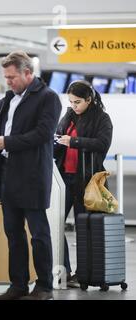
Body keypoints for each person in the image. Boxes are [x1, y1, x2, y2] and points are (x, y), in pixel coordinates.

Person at [0, 51, 62, 300]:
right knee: (13, 233)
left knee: (39, 235)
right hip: (8, 177)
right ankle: (18, 285)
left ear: (28, 73)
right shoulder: (10, 97)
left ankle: (44, 287)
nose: (8, 82)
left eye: (12, 77)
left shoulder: (48, 98)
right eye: (6, 77)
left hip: (33, 176)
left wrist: (7, 141)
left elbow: (43, 134)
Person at [54, 80, 113, 288]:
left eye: (77, 102)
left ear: (89, 99)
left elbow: (102, 144)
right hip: (63, 179)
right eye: (70, 102)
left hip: (86, 181)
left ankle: (84, 273)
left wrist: (74, 142)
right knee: (55, 225)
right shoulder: (69, 115)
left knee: (84, 229)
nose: (74, 106)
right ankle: (65, 270)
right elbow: (59, 137)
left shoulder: (101, 118)